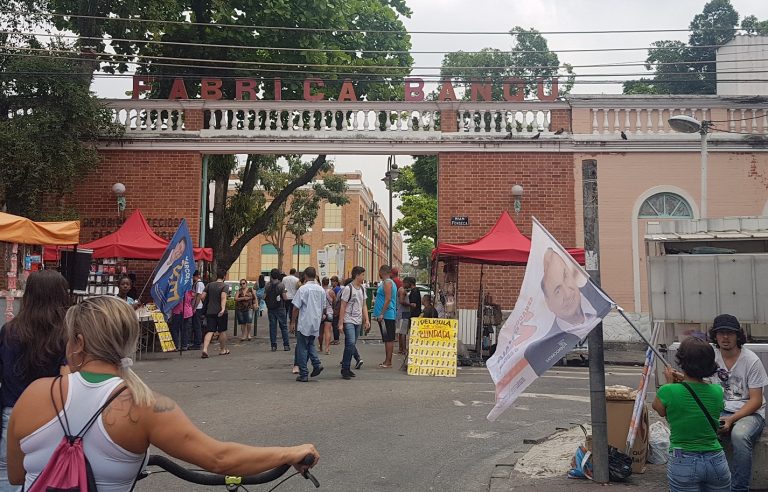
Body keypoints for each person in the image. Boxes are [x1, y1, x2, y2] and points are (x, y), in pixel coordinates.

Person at [6, 296, 319, 491]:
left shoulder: (34, 394)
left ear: (79, 342)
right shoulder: (146, 405)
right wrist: (288, 453)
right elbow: (218, 458)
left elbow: (17, 476)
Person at [0, 271, 70, 491]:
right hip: (52, 414)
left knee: (6, 471)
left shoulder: (9, 331)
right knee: (48, 471)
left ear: (28, 295)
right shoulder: (66, 336)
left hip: (12, 411)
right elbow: (68, 380)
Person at [653, 337, 730, 492]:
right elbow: (703, 387)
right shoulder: (717, 391)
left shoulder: (668, 391)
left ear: (682, 361)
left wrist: (670, 382)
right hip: (716, 460)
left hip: (683, 460)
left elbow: (660, 410)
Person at [524, 248, 612, 376]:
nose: (567, 293)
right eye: (557, 291)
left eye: (565, 276)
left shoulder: (597, 302)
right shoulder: (540, 347)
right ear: (548, 303)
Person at [708, 314, 768, 492]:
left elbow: (756, 400)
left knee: (740, 436)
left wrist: (731, 419)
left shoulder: (751, 360)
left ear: (738, 335)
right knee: (702, 432)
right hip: (719, 409)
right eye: (721, 333)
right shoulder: (710, 356)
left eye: (730, 333)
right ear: (715, 335)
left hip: (750, 413)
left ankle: (739, 488)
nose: (725, 337)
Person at [291, 268, 325, 382]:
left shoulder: (303, 289)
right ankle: (316, 363)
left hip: (305, 321)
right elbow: (323, 306)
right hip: (316, 320)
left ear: (305, 275)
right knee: (310, 344)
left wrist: (292, 322)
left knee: (302, 347)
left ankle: (304, 373)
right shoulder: (321, 289)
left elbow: (296, 307)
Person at [338, 267, 369, 380]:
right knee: (350, 343)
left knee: (351, 344)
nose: (364, 277)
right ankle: (345, 368)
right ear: (357, 275)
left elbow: (364, 305)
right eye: (362, 275)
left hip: (358, 320)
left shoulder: (362, 289)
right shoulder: (348, 289)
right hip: (348, 320)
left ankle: (346, 367)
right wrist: (341, 323)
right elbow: (343, 305)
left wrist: (366, 319)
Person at [199, 269, 230, 358]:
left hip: (210, 311)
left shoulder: (209, 285)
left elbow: (202, 296)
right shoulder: (224, 286)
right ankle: (223, 349)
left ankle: (205, 349)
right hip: (221, 312)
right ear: (224, 276)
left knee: (210, 330)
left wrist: (208, 303)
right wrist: (222, 308)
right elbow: (223, 297)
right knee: (222, 331)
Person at [372, 265, 397, 369]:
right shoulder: (387, 283)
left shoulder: (387, 283)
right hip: (386, 315)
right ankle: (387, 360)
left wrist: (382, 313)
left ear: (381, 272)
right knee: (387, 338)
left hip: (387, 315)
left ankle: (388, 361)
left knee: (388, 338)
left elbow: (388, 299)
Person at [266, 269, 290, 352]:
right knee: (283, 327)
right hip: (280, 308)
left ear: (271, 275)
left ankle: (273, 346)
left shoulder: (267, 285)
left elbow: (264, 296)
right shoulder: (281, 285)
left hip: (271, 308)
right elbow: (285, 297)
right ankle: (286, 345)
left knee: (272, 327)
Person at [189, 271, 205, 350]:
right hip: (196, 306)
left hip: (198, 307)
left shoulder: (199, 284)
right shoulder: (196, 284)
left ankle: (197, 343)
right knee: (195, 325)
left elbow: (198, 296)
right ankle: (196, 341)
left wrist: (194, 307)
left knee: (197, 325)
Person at [319, 278, 335, 355]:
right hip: (329, 313)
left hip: (320, 313)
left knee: (320, 332)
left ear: (322, 282)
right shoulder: (331, 292)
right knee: (328, 331)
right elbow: (334, 301)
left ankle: (320, 346)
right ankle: (327, 348)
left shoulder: (319, 291)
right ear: (328, 283)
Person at [396, 278, 411, 355]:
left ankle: (401, 349)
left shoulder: (401, 290)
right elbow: (401, 301)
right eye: (409, 284)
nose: (409, 286)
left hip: (401, 312)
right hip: (403, 312)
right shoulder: (402, 290)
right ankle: (404, 349)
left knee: (400, 332)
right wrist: (410, 304)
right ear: (405, 282)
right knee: (403, 332)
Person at [330, 276, 342, 345]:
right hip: (335, 308)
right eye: (331, 281)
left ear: (337, 282)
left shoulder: (337, 289)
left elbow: (337, 300)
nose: (332, 282)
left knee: (335, 324)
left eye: (333, 281)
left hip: (336, 309)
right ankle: (336, 338)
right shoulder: (335, 288)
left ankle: (336, 339)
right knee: (335, 324)